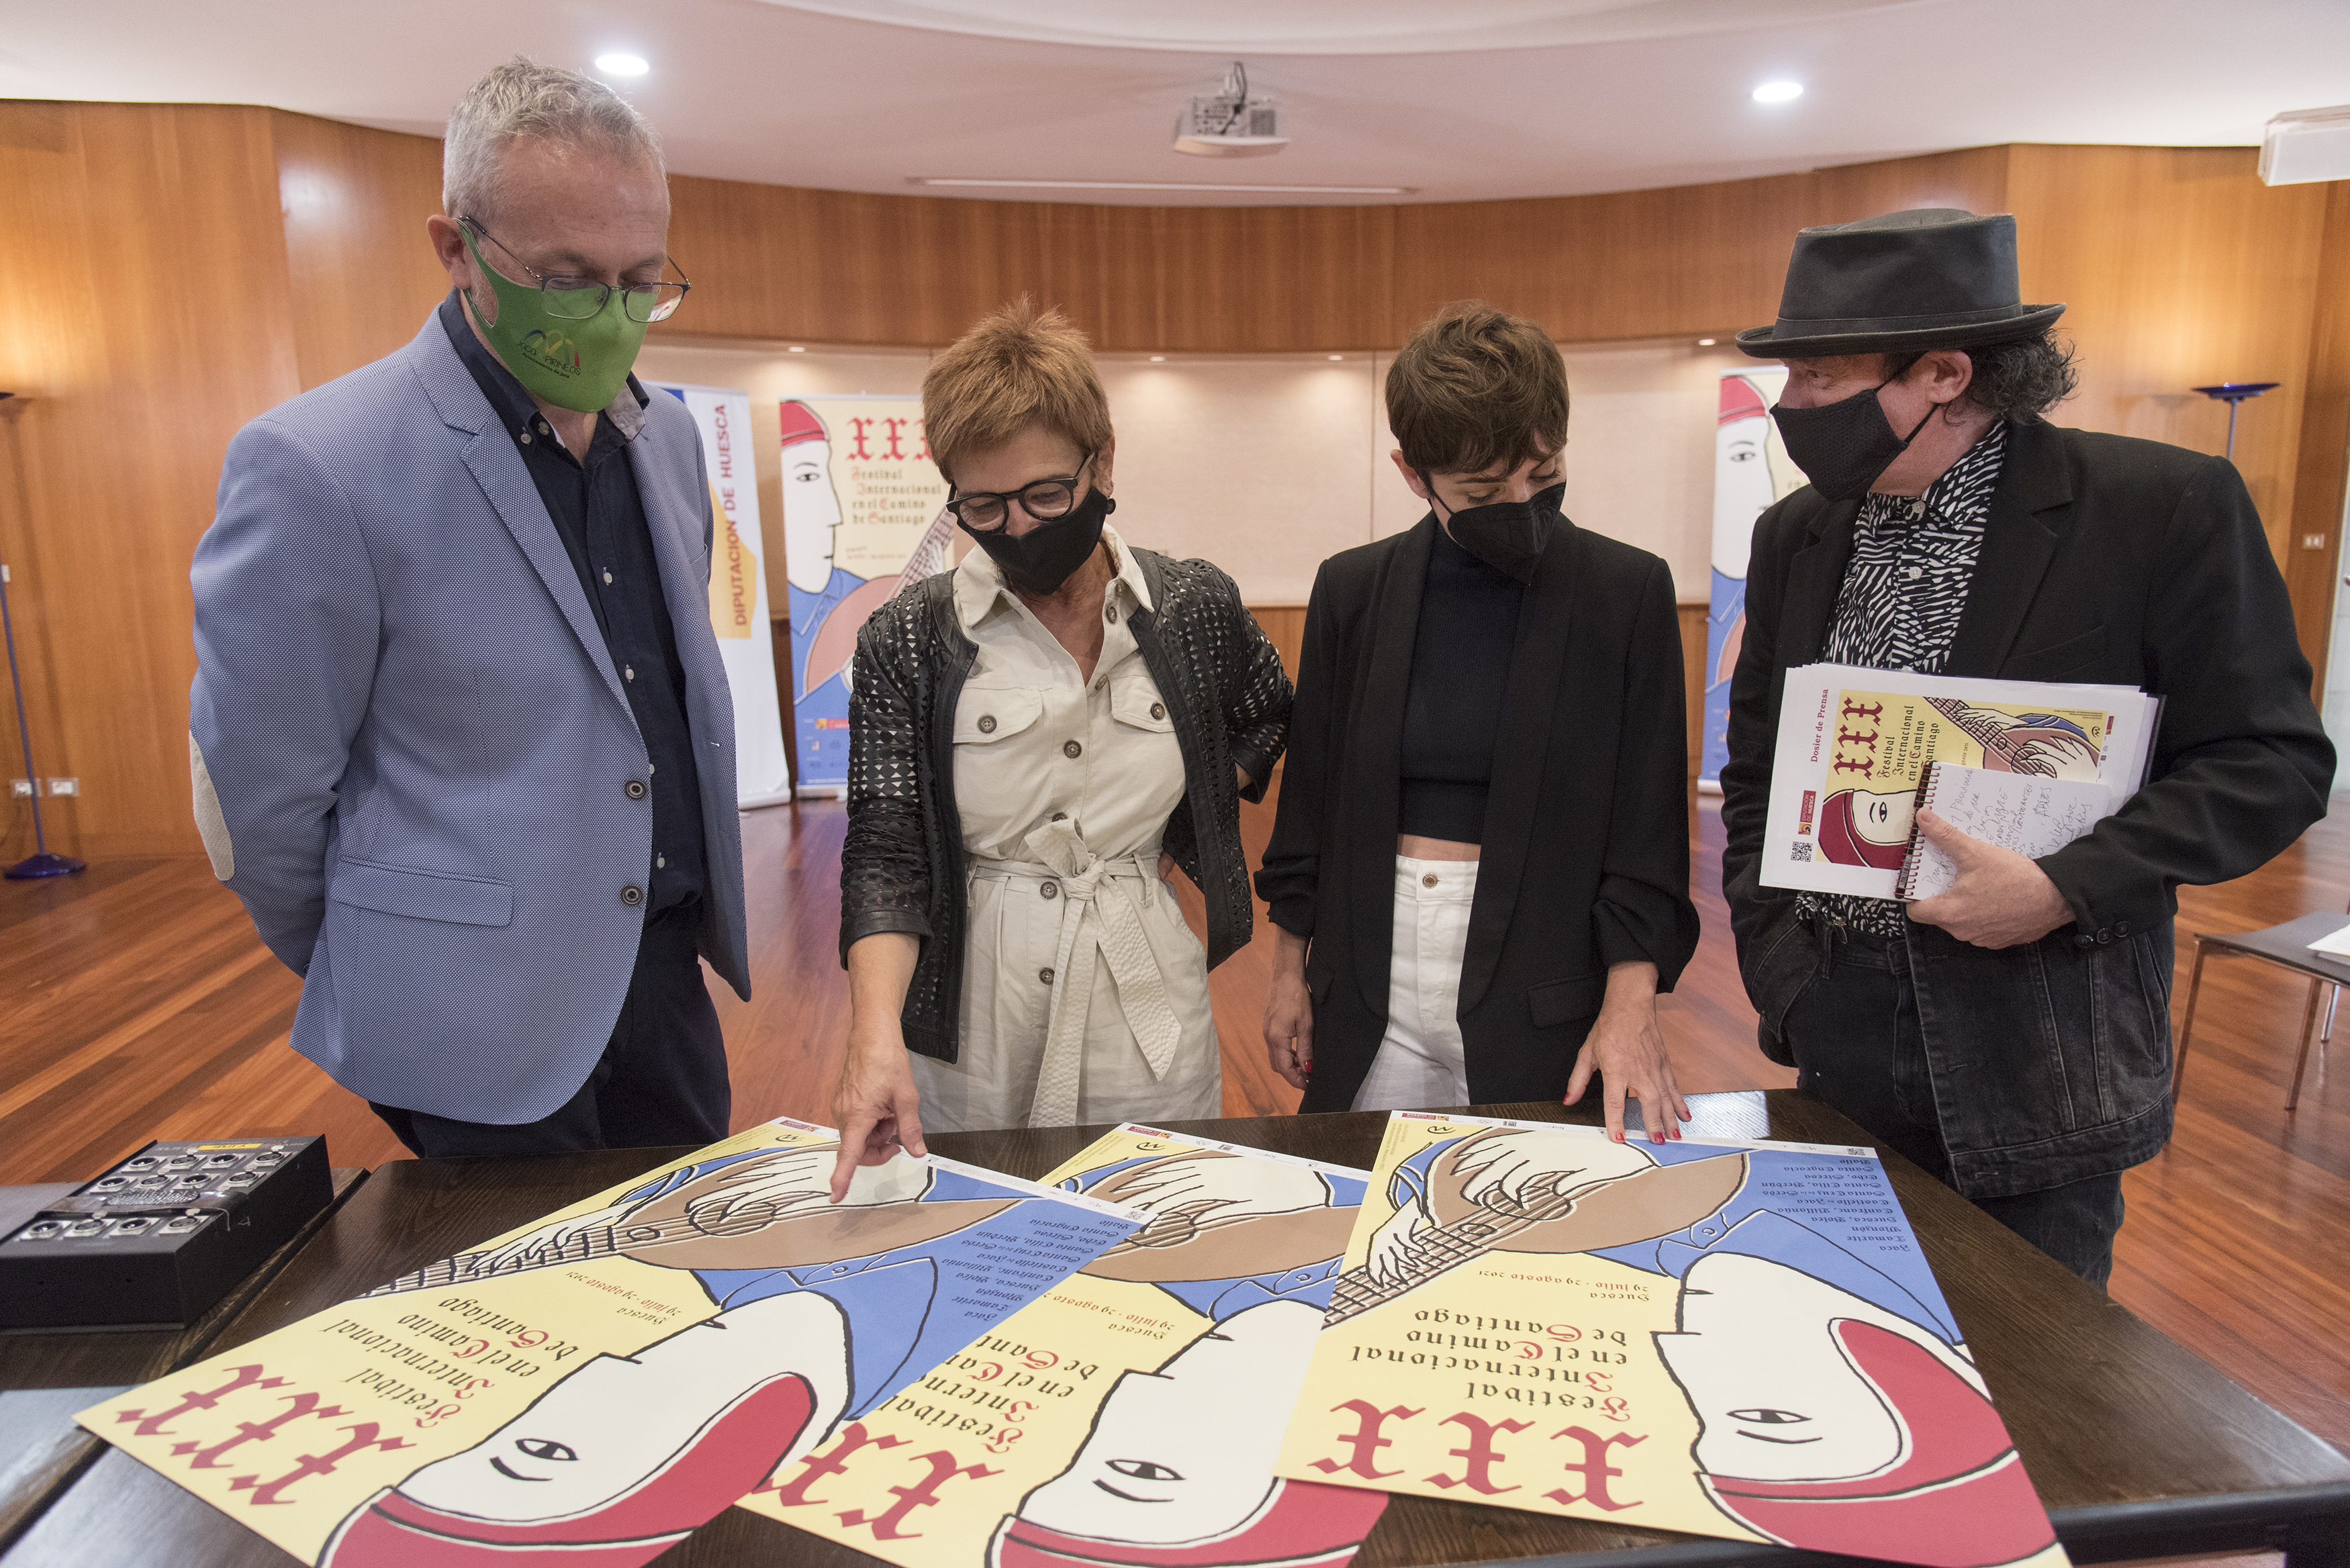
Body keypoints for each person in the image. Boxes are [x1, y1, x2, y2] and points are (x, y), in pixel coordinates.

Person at [1720, 207, 2334, 1285]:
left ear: (1947, 373)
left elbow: (2271, 762)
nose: (1792, 408)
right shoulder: (1799, 532)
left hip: (2039, 1038)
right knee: (1832, 1331)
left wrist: (2065, 885)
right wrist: (1784, 974)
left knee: (2030, 1387)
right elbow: (1761, 768)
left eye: (1819, 379)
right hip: (1838, 1025)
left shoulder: (2159, 508)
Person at [189, 58, 747, 1156]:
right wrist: (395, 947)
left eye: (642, 280)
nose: (611, 315)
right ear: (456, 250)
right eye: (569, 277)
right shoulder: (318, 463)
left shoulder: (669, 438)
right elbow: (261, 800)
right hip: (468, 1013)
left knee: (686, 1303)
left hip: (663, 980)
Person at [829, 301, 1292, 1195]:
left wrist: (1191, 812)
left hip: (1144, 987)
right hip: (974, 1001)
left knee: (1156, 1215)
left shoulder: (1192, 606)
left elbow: (1267, 708)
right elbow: (885, 848)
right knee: (979, 1221)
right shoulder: (908, 637)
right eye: (983, 506)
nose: (1021, 529)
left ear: (1103, 458)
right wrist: (872, 1036)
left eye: (1047, 494)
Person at [1255, 303, 1700, 1138]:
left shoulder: (1623, 591)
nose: (1523, 504)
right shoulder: (1354, 590)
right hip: (1366, 974)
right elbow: (1309, 802)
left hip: (1542, 976)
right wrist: (1289, 972)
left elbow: (1646, 830)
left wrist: (1632, 1003)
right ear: (1411, 472)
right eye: (1484, 492)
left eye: (1544, 472)